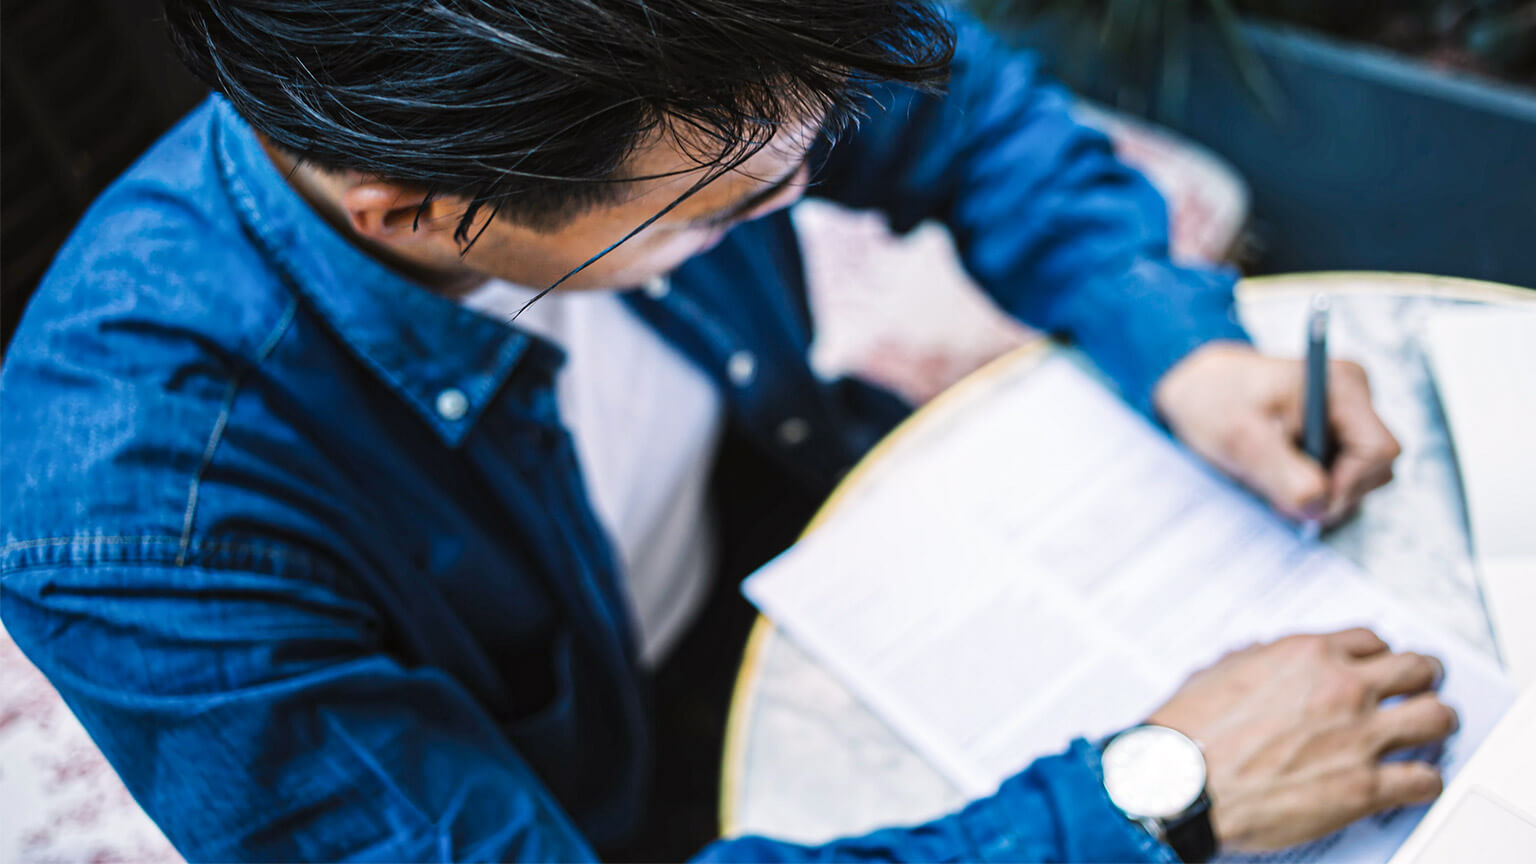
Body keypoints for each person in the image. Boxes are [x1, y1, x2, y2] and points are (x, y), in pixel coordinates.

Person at [0, 1, 1445, 861]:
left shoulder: (701, 59)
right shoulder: (138, 522)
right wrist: (1150, 800)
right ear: (424, 213)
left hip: (808, 535)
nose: (802, 184)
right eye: (737, 204)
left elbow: (954, 107)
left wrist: (1176, 345)